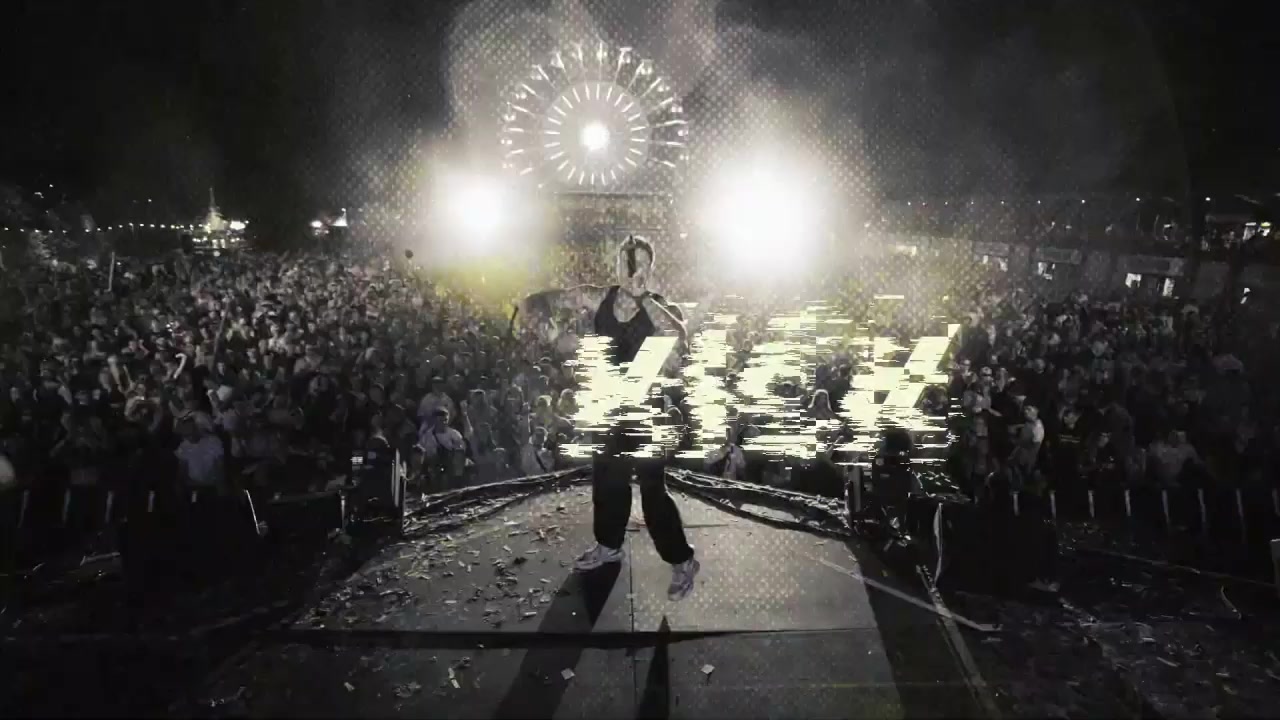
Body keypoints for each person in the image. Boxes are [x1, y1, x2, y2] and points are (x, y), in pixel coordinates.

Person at [516, 235, 700, 601]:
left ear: (650, 269)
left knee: (652, 491)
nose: (633, 271)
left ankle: (682, 560)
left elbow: (677, 336)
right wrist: (534, 307)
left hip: (645, 410)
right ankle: (608, 545)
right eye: (627, 263)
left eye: (641, 264)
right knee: (607, 479)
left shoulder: (659, 307)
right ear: (616, 266)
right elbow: (559, 298)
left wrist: (643, 298)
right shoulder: (598, 297)